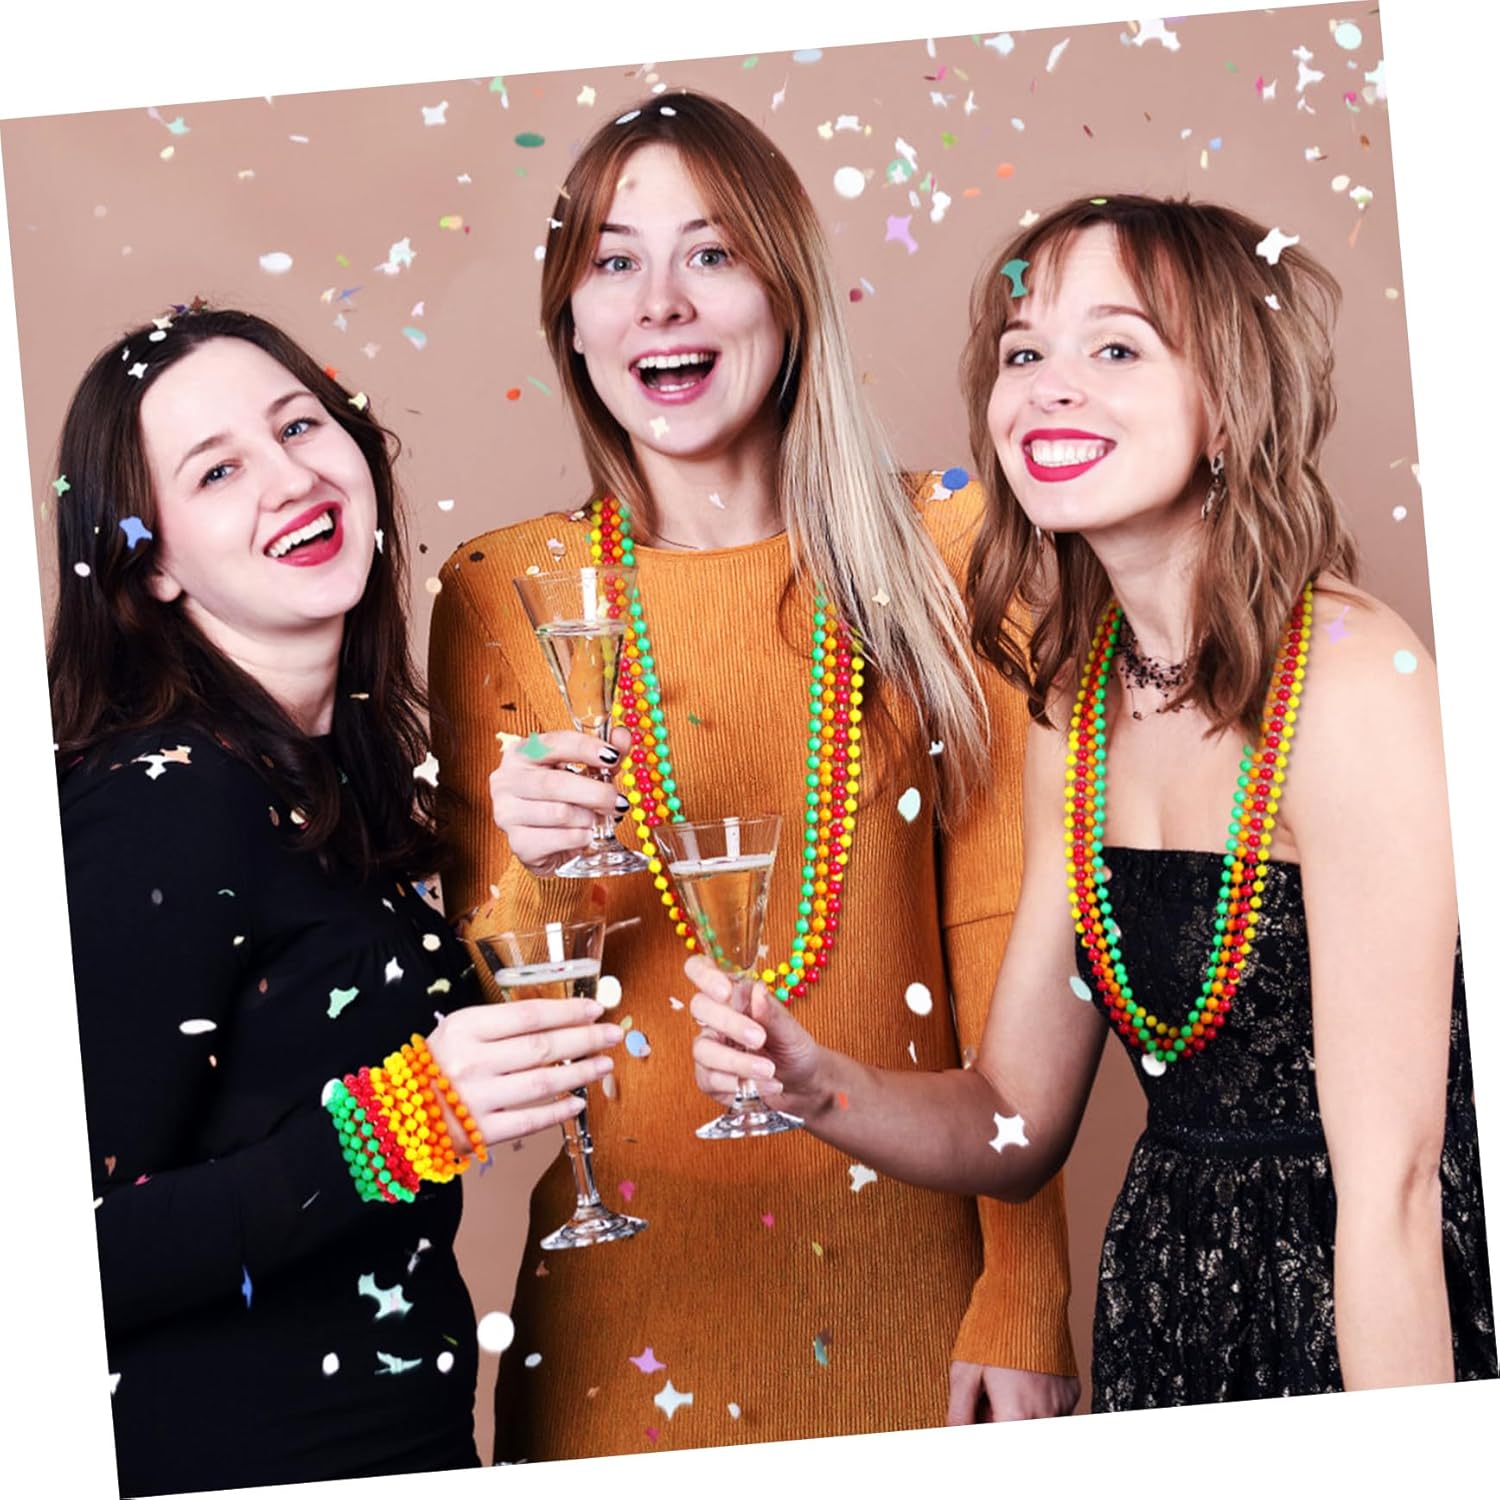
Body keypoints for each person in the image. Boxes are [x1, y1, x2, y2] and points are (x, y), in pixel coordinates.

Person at [688, 194, 1498, 1407]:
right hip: (1171, 1305)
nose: (1048, 390)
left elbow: (1393, 1188)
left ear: (1230, 405)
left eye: (1116, 348)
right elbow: (1013, 1124)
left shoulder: (1352, 679)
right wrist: (819, 1087)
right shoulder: (1078, 690)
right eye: (1024, 355)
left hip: (1374, 1314)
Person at [428, 91, 1078, 1460]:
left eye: (712, 253)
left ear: (788, 292)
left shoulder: (953, 543)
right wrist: (539, 866)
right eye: (614, 261)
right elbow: (519, 1013)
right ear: (571, 320)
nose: (659, 302)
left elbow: (1012, 948)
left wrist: (1023, 1295)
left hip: (918, 1307)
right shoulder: (501, 589)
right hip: (626, 1322)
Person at [50, 307, 624, 1496]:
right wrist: (403, 1121)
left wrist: (527, 863)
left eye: (299, 426)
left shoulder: (331, 783)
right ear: (151, 561)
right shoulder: (162, 802)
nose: (290, 478)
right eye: (217, 471)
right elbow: (57, 1258)